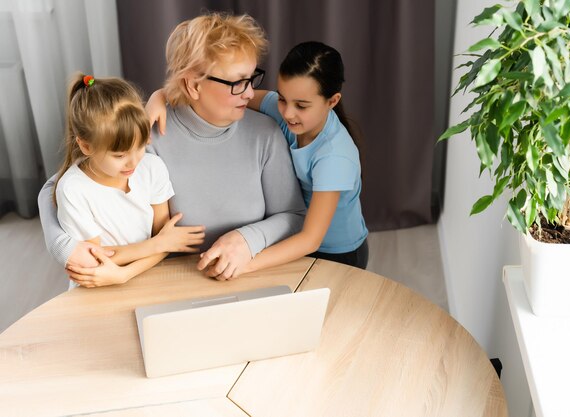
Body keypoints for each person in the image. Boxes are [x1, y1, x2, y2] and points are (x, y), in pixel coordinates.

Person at [38, 13, 305, 283]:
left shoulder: (266, 133)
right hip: (166, 281)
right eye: (237, 83)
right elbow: (62, 184)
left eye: (252, 78)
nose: (250, 93)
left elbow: (294, 215)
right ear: (193, 84)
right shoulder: (147, 134)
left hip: (250, 276)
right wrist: (63, 246)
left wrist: (247, 240)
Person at [148, 41, 368, 275]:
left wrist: (245, 263)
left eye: (301, 106)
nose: (287, 113)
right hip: (289, 243)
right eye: (283, 98)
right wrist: (160, 96)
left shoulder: (335, 157)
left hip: (335, 252)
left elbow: (310, 240)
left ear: (332, 101)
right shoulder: (281, 110)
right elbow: (219, 95)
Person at [50, 74, 205, 288]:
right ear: (86, 146)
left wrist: (127, 273)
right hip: (97, 286)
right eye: (120, 155)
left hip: (149, 279)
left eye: (140, 146)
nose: (133, 162)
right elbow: (95, 261)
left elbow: (166, 241)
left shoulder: (152, 167)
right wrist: (156, 244)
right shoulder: (73, 189)